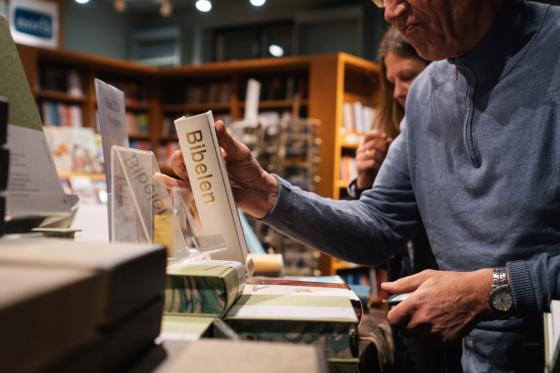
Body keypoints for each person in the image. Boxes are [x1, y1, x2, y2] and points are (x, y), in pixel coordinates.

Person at [168, 0, 560, 371]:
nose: (391, 12)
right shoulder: (427, 93)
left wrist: (493, 290)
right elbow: (378, 224)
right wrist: (267, 195)